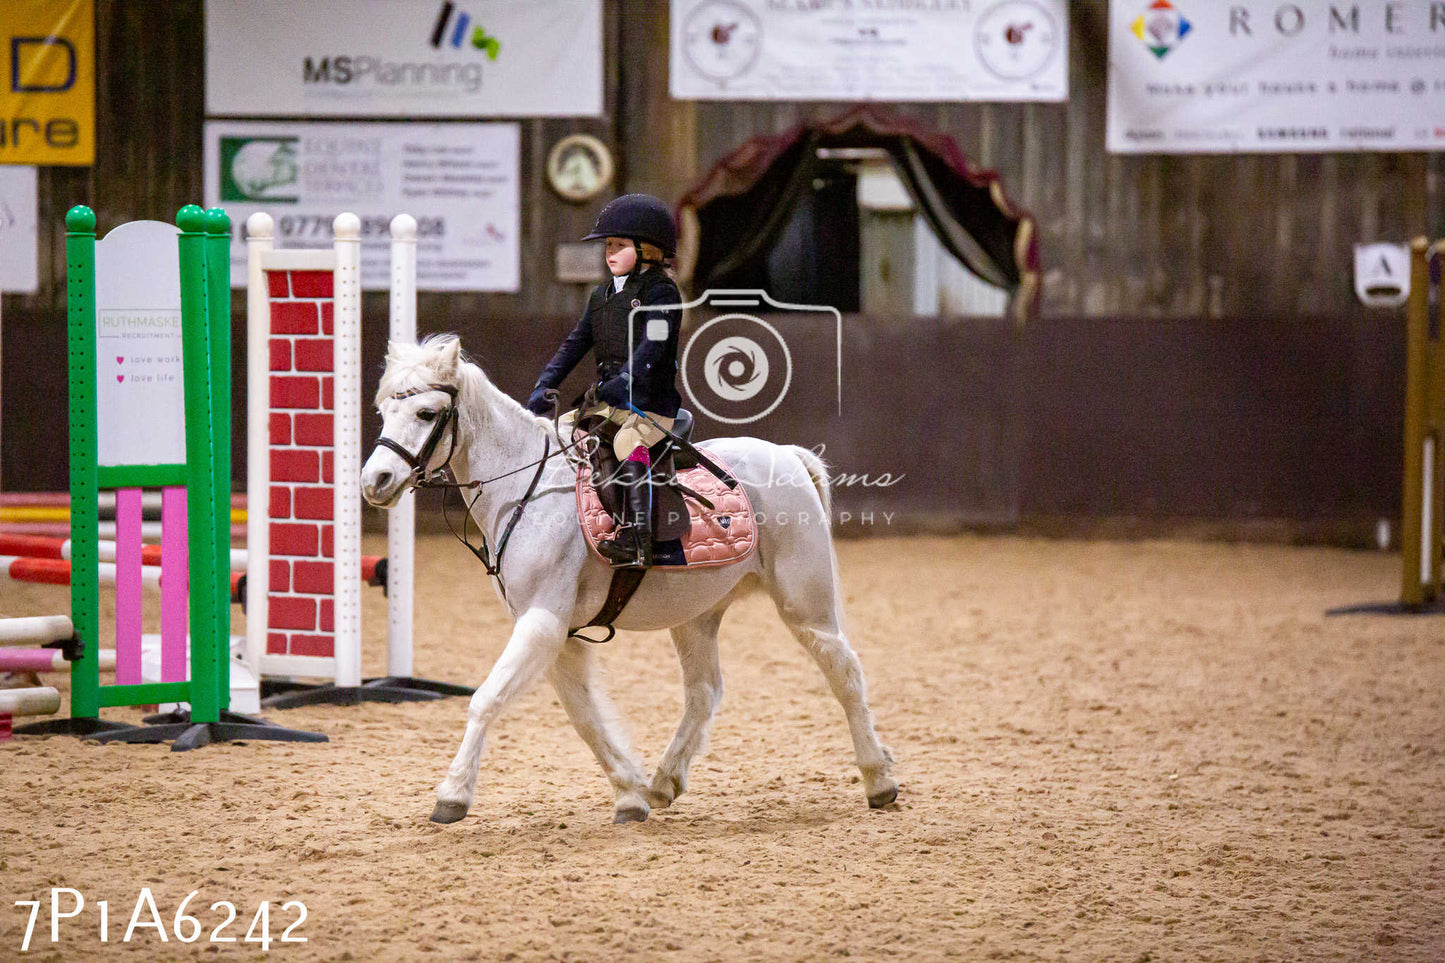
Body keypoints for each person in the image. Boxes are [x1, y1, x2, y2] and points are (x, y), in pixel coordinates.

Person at [526, 194, 684, 569]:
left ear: (648, 250)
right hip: (608, 402)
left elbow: (655, 346)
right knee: (558, 435)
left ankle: (638, 537)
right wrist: (546, 382)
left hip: (650, 406)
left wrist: (626, 378)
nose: (609, 253)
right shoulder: (601, 296)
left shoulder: (662, 293)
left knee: (631, 442)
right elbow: (575, 343)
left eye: (619, 245)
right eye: (608, 246)